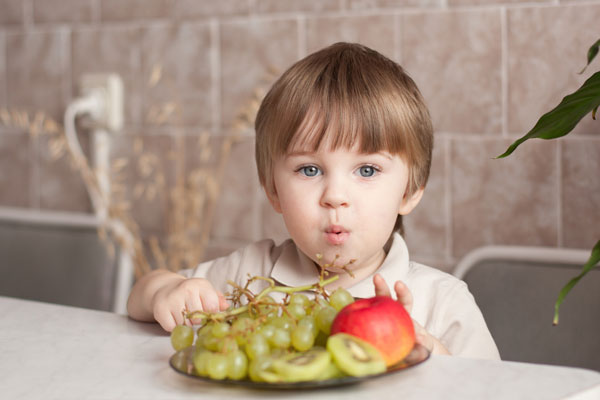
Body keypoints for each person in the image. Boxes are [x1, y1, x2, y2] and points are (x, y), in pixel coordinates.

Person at [127, 42, 500, 359]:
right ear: (273, 189)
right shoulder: (250, 275)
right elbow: (139, 299)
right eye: (309, 170)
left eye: (367, 170)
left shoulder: (442, 301)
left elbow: (494, 387)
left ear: (410, 191)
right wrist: (165, 291)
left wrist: (434, 357)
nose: (334, 196)